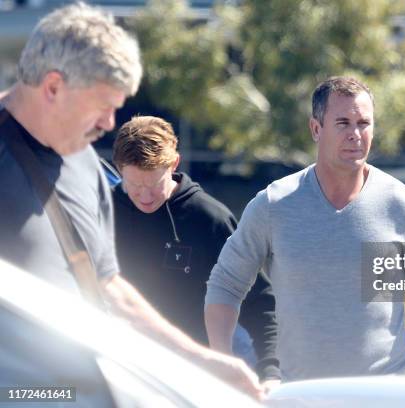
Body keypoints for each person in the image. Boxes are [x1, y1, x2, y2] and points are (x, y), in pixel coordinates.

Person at [0, 3, 262, 399]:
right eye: (103, 106)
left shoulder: (86, 165)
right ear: (53, 87)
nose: (109, 123)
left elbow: (109, 288)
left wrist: (200, 360)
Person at [205, 76, 405, 382]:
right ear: (316, 129)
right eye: (343, 123)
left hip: (384, 395)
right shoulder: (273, 205)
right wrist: (222, 362)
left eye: (364, 123)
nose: (355, 134)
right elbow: (225, 285)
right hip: (301, 396)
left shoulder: (402, 204)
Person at [112, 115, 279, 381]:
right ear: (119, 169)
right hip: (116, 367)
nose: (145, 196)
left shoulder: (209, 219)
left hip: (189, 375)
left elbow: (259, 301)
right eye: (134, 185)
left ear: (174, 163)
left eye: (155, 185)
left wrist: (270, 369)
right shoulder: (102, 212)